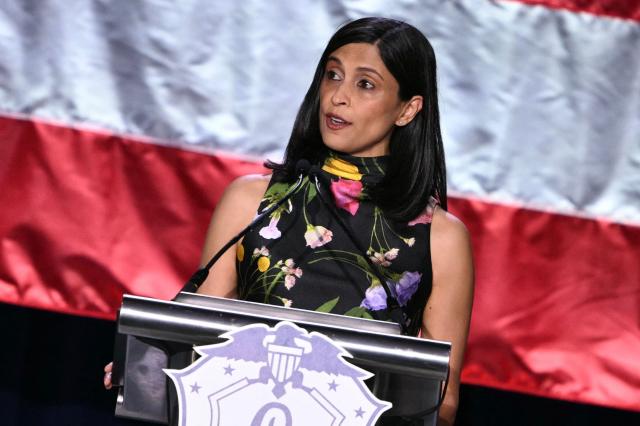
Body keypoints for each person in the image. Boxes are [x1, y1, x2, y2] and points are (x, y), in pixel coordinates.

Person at [106, 17, 473, 426]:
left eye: (364, 84)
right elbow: (200, 337)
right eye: (333, 75)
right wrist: (148, 365)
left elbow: (443, 400)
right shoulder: (251, 199)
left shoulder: (440, 237)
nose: (338, 96)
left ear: (408, 110)